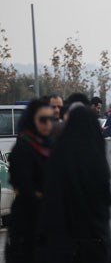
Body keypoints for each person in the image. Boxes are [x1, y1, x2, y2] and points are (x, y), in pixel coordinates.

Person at [37, 104, 111, 263]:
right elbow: (105, 199)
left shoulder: (59, 156)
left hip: (65, 240)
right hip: (95, 238)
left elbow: (51, 198)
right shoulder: (97, 158)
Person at [6, 99, 53, 263]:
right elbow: (23, 185)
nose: (48, 124)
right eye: (42, 119)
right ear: (32, 120)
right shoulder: (23, 148)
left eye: (51, 119)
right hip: (28, 221)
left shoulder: (49, 146)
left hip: (47, 222)